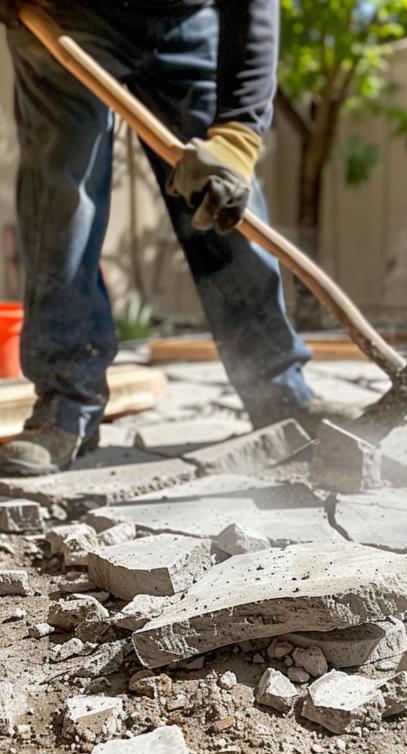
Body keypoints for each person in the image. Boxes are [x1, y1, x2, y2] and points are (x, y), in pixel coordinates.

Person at [0, 0, 363, 475]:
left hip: (185, 15)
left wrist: (238, 136)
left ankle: (278, 391)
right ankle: (66, 406)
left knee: (226, 195)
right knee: (61, 201)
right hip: (64, 9)